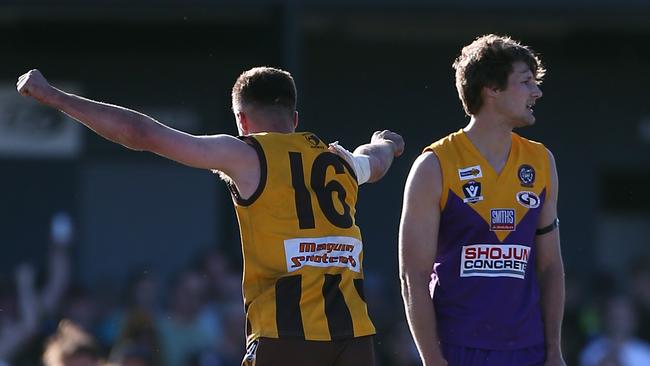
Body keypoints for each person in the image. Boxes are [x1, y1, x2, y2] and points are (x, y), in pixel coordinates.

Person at [17, 66, 404, 366]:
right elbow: (379, 159)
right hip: (354, 336)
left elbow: (142, 133)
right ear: (295, 118)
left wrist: (56, 98)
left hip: (286, 335)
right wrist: (387, 142)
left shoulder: (247, 153)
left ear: (242, 121)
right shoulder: (342, 162)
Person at [399, 34, 565, 366]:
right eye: (526, 82)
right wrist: (432, 359)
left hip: (528, 350)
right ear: (491, 88)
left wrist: (554, 352)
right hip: (457, 348)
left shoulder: (541, 161)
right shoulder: (434, 165)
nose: (537, 92)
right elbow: (412, 275)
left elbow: (550, 268)